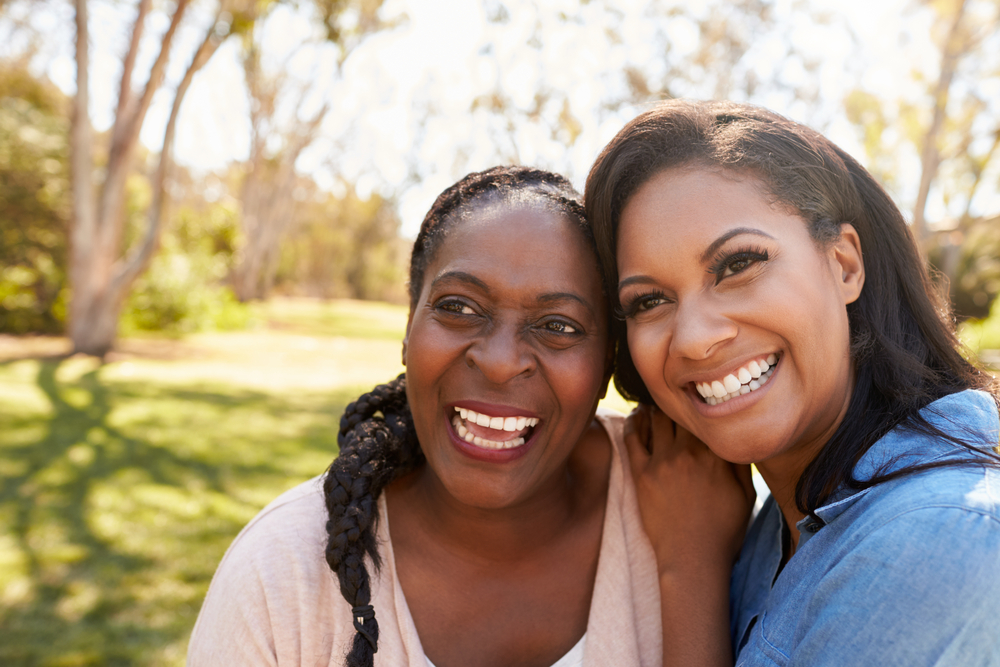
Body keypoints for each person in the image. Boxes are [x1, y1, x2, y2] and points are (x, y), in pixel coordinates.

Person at [186, 165, 752, 667]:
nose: (501, 362)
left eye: (558, 325)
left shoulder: (686, 503)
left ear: (607, 361)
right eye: (459, 308)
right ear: (408, 327)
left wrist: (690, 568)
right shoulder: (279, 577)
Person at [584, 99, 1000, 666]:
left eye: (737, 265)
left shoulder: (936, 537)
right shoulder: (775, 523)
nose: (694, 339)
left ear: (845, 264)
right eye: (649, 301)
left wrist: (689, 568)